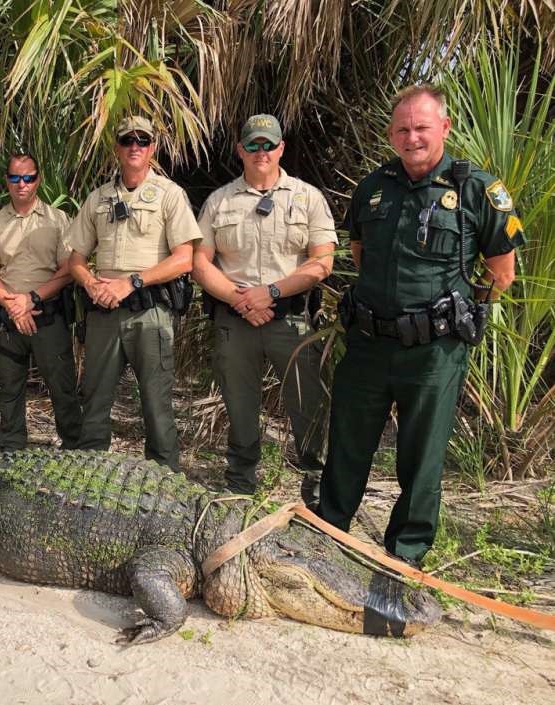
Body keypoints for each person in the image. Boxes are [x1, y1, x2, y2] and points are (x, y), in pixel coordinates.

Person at [320, 85, 525, 566]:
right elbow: (360, 254)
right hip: (369, 343)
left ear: (444, 129)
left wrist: (451, 315)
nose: (412, 137)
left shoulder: (478, 190)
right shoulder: (373, 188)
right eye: (403, 129)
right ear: (392, 134)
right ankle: (326, 536)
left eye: (422, 128)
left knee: (421, 456)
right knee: (347, 444)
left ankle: (403, 557)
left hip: (434, 353)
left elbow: (502, 273)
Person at [193, 114, 337, 499]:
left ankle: (316, 484)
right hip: (235, 319)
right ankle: (240, 484)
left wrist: (270, 292)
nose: (261, 152)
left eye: (268, 144)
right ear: (240, 149)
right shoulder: (219, 201)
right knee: (239, 404)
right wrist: (240, 300)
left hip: (289, 321)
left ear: (281, 148)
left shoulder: (308, 198)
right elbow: (200, 262)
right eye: (253, 144)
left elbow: (322, 262)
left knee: (307, 404)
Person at [67, 116, 202, 470]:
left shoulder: (169, 195)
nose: (134, 146)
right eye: (127, 140)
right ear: (117, 147)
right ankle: (89, 472)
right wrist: (91, 283)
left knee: (156, 403)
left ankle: (163, 477)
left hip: (150, 313)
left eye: (142, 140)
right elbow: (76, 258)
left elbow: (184, 259)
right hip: (104, 314)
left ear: (152, 148)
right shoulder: (98, 198)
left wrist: (133, 282)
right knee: (95, 398)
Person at [0, 153, 82, 449]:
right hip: (8, 318)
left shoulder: (58, 220)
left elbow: (69, 269)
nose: (21, 184)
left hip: (47, 316)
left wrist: (32, 298)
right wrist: (12, 304)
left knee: (61, 386)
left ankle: (75, 449)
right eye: (14, 177)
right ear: (7, 180)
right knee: (10, 388)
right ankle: (11, 448)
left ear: (38, 179)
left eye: (28, 177)